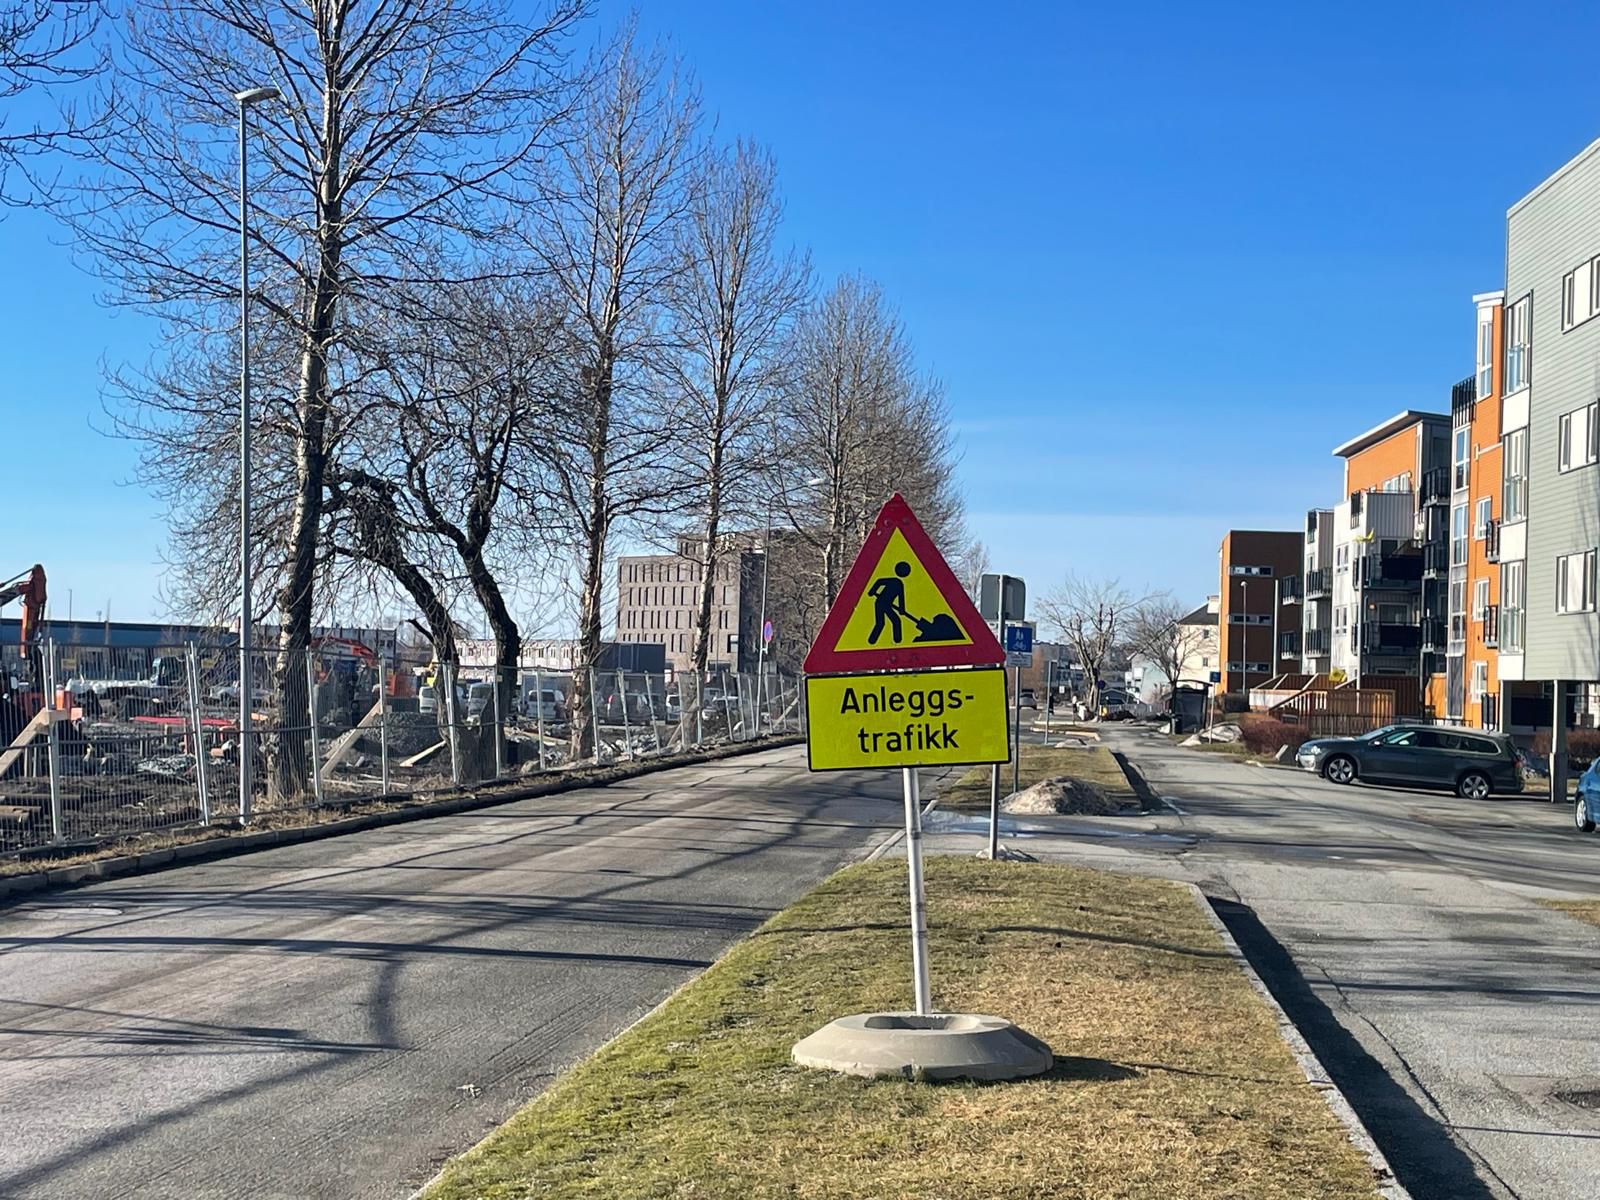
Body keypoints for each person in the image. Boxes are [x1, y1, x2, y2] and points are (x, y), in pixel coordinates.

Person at [867, 562, 913, 645]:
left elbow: (901, 598)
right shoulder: (894, 581)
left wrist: (902, 609)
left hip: (886, 604)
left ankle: (896, 641)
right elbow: (879, 581)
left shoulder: (899, 584)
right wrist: (872, 591)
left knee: (891, 621)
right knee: (884, 622)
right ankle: (872, 641)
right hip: (880, 603)